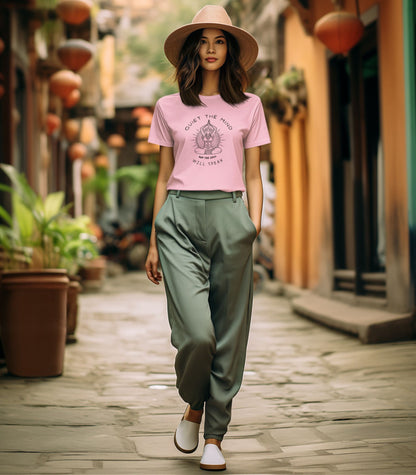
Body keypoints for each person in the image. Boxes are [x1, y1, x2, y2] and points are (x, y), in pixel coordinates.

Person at [145, 4, 270, 471]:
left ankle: (214, 432)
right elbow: (161, 178)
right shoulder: (168, 107)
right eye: (204, 41)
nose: (212, 49)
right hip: (177, 218)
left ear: (230, 50)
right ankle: (193, 404)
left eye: (220, 41)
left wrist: (251, 227)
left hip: (230, 216)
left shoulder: (249, 106)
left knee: (230, 333)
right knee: (197, 334)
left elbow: (255, 175)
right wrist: (153, 240)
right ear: (192, 51)